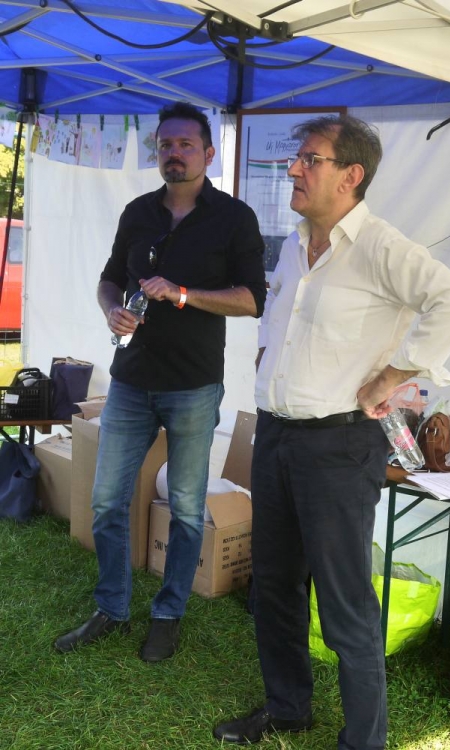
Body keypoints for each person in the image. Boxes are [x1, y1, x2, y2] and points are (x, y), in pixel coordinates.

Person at [213, 114, 450, 749]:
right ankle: (288, 707)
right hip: (276, 435)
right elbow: (282, 322)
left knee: (343, 601)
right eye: (297, 158)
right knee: (274, 586)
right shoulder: (292, 245)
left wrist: (392, 374)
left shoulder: (381, 247)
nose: (293, 168)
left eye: (311, 159)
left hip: (337, 446)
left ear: (350, 175)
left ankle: (364, 740)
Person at [54, 102, 266, 662]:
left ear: (208, 153)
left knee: (188, 509)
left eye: (186, 144)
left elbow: (251, 299)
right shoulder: (138, 212)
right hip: (130, 380)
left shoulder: (234, 218)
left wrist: (183, 294)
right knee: (107, 501)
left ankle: (168, 613)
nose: (174, 153)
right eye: (166, 145)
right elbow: (108, 279)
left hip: (193, 384)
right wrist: (110, 310)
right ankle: (112, 606)